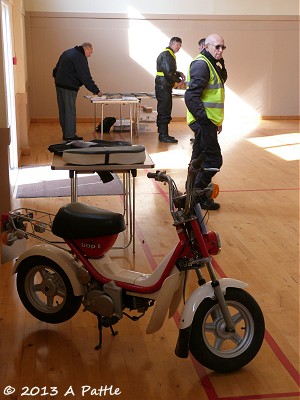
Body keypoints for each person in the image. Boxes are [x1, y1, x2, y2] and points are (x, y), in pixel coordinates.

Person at [185, 33, 227, 210]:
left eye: (222, 47)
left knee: (198, 159)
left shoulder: (211, 63)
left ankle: (193, 197)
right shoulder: (202, 64)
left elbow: (220, 82)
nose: (220, 50)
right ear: (206, 46)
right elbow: (191, 96)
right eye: (216, 46)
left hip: (208, 120)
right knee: (214, 160)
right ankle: (196, 195)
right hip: (204, 120)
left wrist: (221, 63)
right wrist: (205, 121)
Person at [53, 42, 102, 141]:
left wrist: (59, 80)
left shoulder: (67, 52)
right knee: (70, 111)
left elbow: (55, 70)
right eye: (90, 52)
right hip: (69, 87)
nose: (90, 55)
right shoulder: (80, 57)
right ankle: (70, 136)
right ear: (86, 49)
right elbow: (85, 77)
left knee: (63, 111)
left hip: (59, 85)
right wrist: (97, 91)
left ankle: (66, 134)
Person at [155, 37, 186, 143]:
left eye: (180, 45)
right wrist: (178, 81)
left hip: (164, 86)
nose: (179, 47)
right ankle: (163, 135)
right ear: (171, 44)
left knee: (165, 109)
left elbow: (168, 70)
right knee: (164, 109)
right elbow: (168, 72)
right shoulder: (167, 55)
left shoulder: (168, 55)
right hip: (163, 86)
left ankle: (163, 134)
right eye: (177, 45)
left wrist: (178, 73)